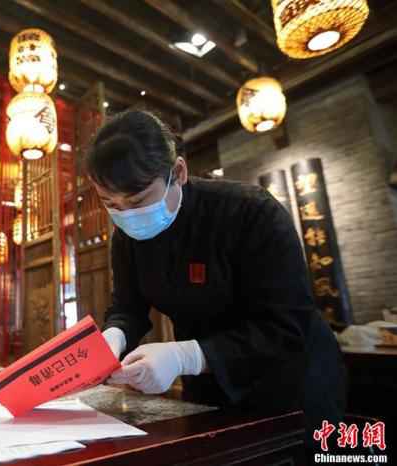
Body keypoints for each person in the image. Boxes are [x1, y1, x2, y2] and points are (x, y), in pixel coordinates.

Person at [87, 109, 346, 454]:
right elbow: (128, 306)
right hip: (209, 385)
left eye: (136, 200)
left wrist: (185, 357)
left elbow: (286, 326)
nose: (126, 213)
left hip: (292, 383)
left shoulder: (250, 213)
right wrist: (113, 337)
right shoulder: (126, 236)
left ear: (177, 172)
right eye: (110, 203)